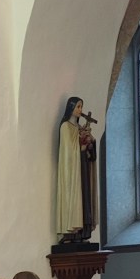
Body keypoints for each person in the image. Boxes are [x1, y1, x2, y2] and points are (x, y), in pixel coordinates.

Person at [55, 95, 97, 243]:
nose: (80, 110)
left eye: (81, 107)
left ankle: (83, 233)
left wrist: (90, 142)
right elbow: (68, 152)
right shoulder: (65, 127)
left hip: (83, 169)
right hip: (72, 173)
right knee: (75, 199)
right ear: (71, 108)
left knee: (85, 198)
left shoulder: (79, 128)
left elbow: (89, 152)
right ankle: (71, 233)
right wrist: (81, 145)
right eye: (78, 106)